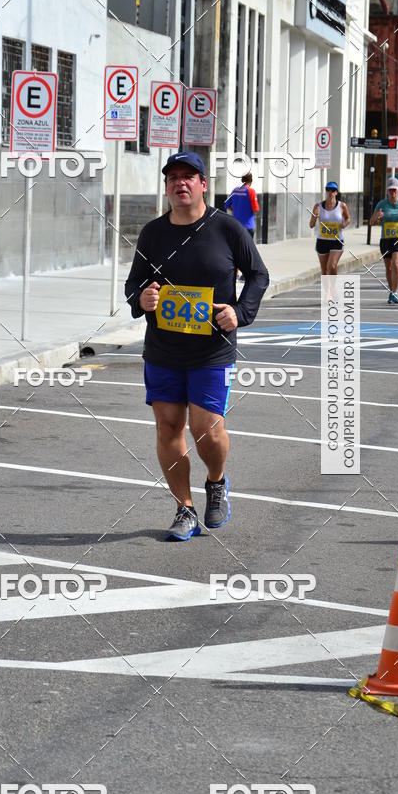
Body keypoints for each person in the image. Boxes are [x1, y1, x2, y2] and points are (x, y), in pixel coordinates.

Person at [124, 151, 269, 541]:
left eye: (189, 177)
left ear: (204, 184)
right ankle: (184, 508)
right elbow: (133, 284)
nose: (180, 183)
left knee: (207, 429)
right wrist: (143, 299)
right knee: (169, 427)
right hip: (163, 350)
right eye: (173, 178)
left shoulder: (227, 229)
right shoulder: (153, 233)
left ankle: (217, 481)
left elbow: (258, 274)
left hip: (211, 349)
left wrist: (239, 312)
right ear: (167, 186)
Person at [370, 176, 398, 304]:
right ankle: (391, 291)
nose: (392, 192)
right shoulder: (381, 204)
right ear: (387, 191)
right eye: (390, 190)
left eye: (394, 190)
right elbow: (371, 222)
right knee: (388, 268)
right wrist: (377, 216)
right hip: (386, 239)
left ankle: (396, 292)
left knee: (396, 264)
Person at [309, 181, 350, 274]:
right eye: (328, 190)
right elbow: (311, 225)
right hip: (322, 241)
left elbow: (348, 218)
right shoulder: (318, 206)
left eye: (333, 190)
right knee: (324, 270)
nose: (330, 192)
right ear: (326, 191)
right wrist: (315, 215)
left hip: (337, 241)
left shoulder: (342, 206)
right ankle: (327, 289)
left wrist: (344, 224)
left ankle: (333, 288)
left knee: (332, 266)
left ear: (336, 192)